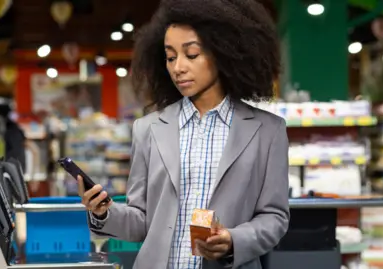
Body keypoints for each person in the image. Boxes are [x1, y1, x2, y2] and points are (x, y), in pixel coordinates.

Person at [79, 0, 289, 268]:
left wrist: (233, 240)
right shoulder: (148, 129)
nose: (178, 67)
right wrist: (104, 213)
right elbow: (141, 221)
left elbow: (274, 217)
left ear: (224, 52)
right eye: (170, 57)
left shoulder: (267, 131)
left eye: (191, 55)